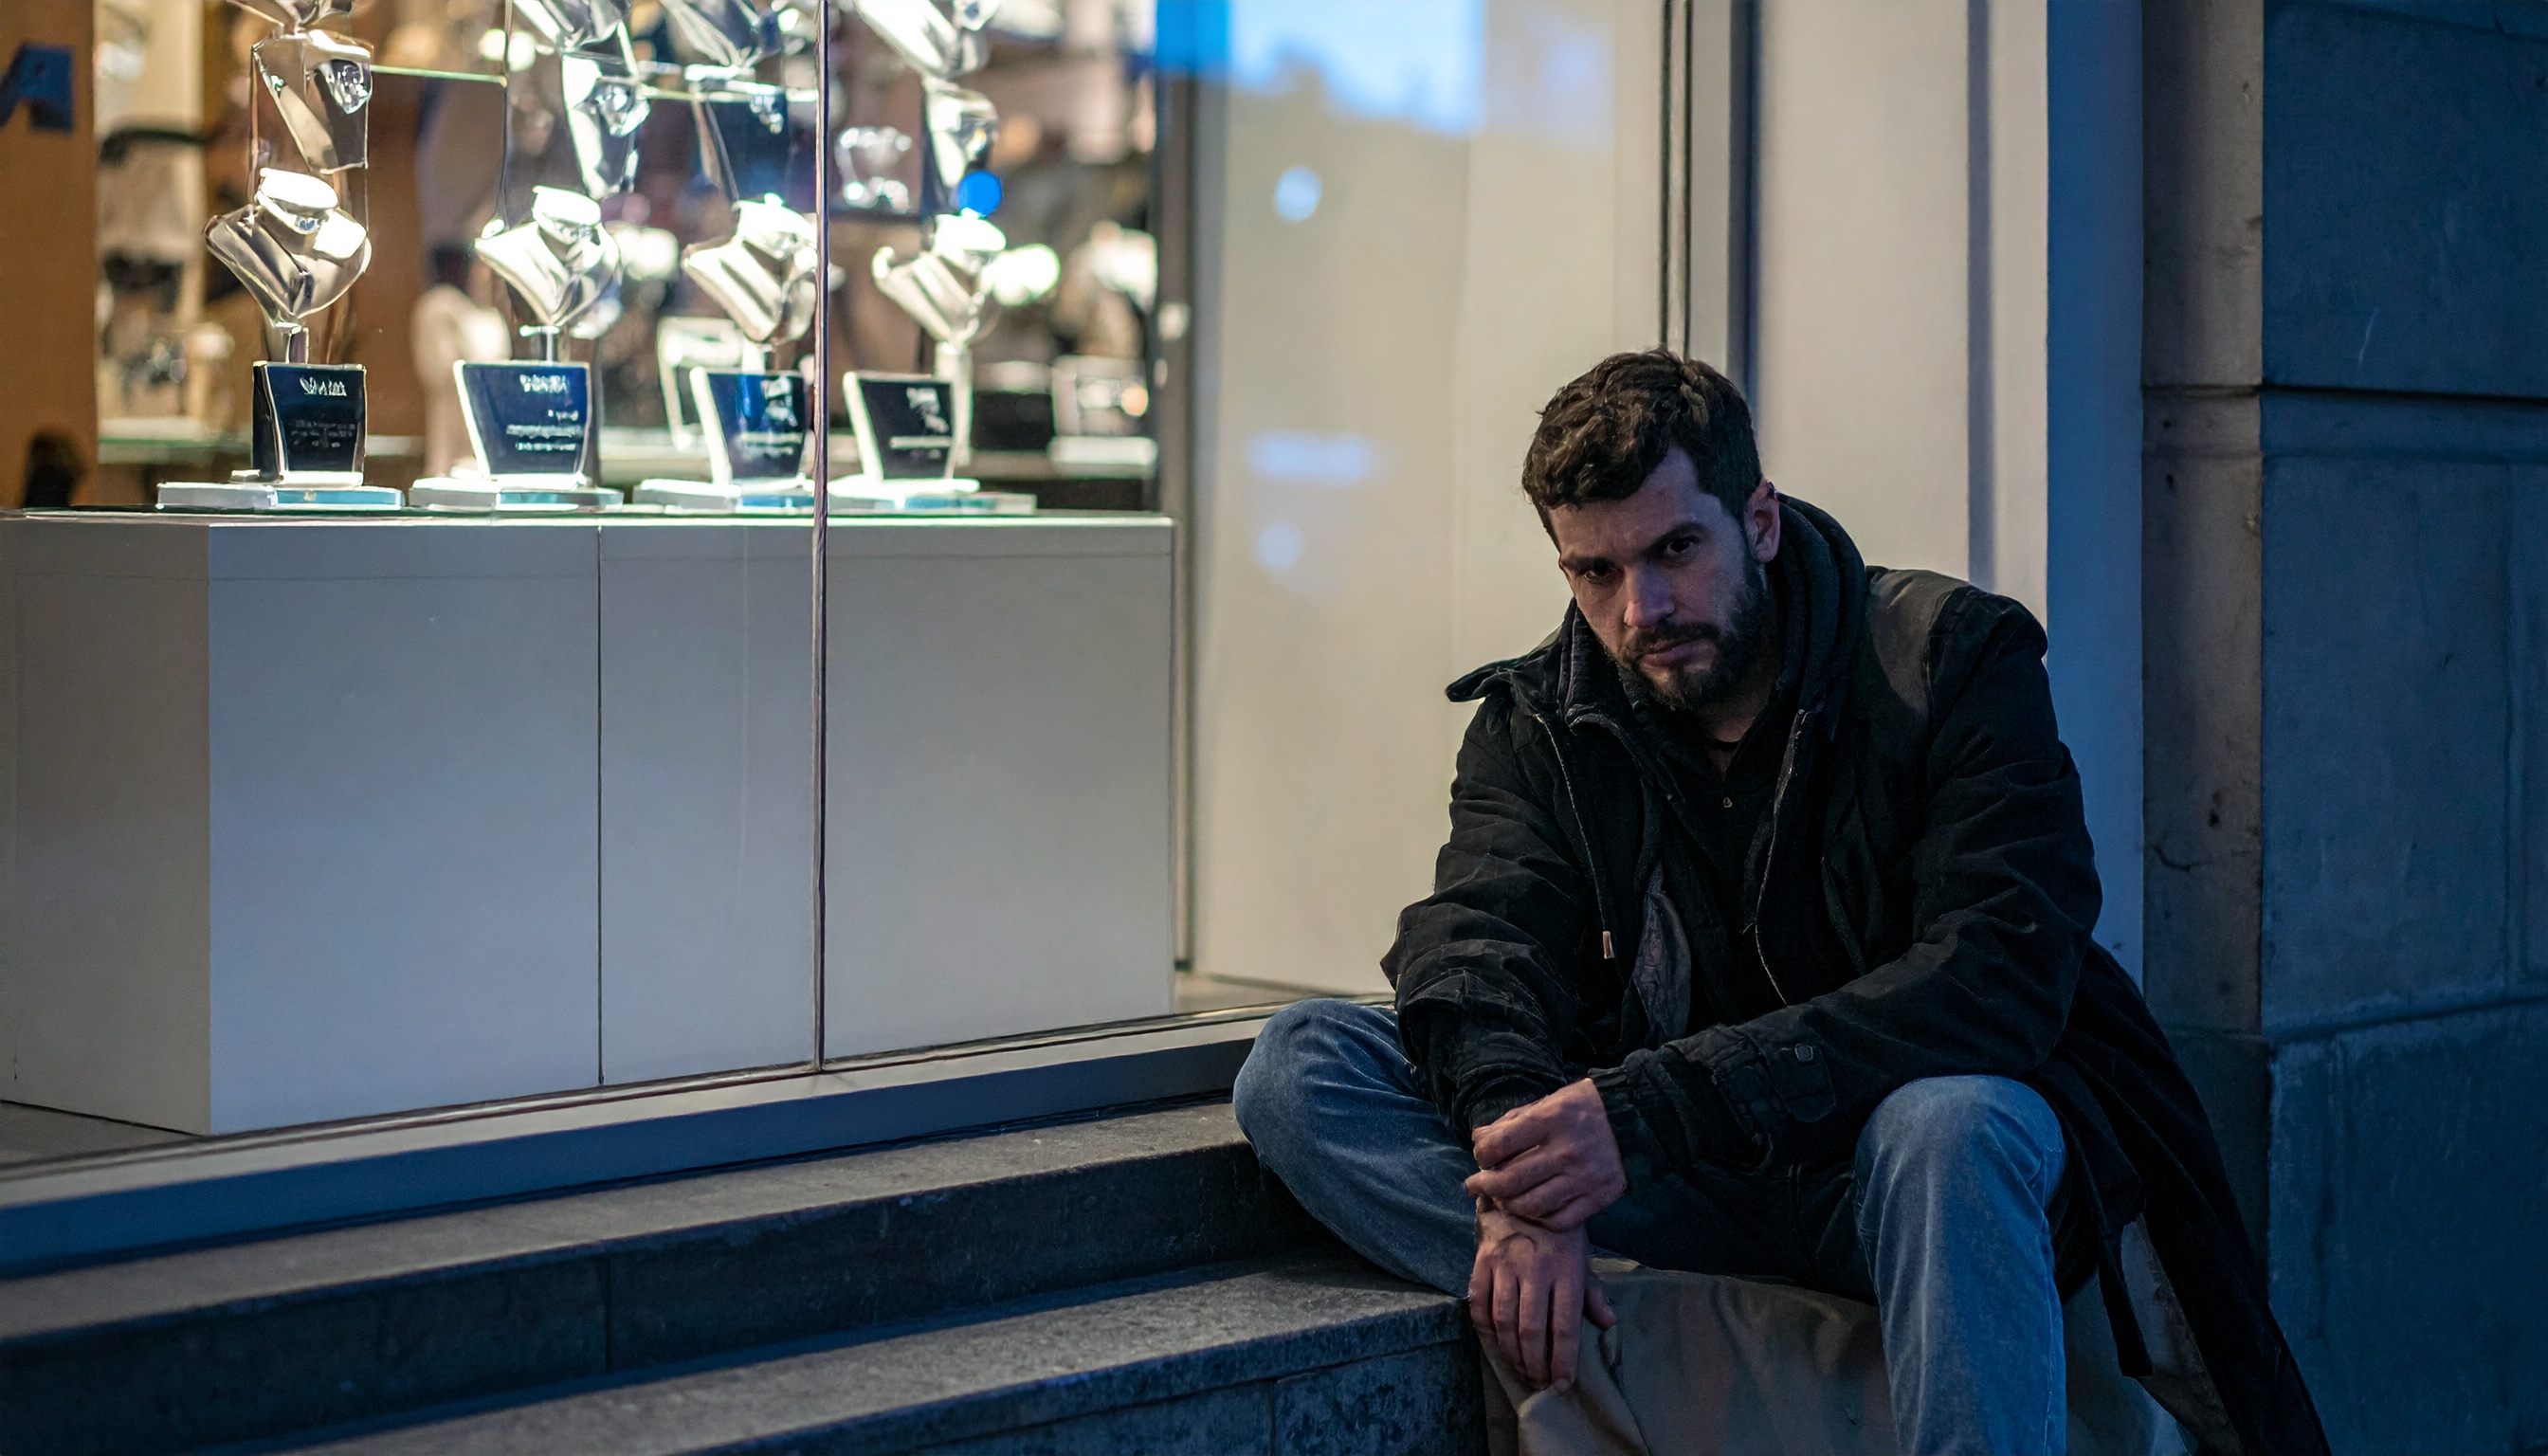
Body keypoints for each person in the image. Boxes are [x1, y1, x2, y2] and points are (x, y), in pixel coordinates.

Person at [1233, 351, 2325, 1456]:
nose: (1641, 609)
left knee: (1952, 1126)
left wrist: (1657, 1109)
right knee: (1300, 1067)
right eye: (1594, 572)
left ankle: (1694, 1365)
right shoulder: (1540, 723)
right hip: (1689, 1184)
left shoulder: (1945, 659)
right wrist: (1527, 1180)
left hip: (1894, 1181)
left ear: (1757, 519)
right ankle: (1726, 1353)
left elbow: (1999, 972)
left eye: (1674, 550)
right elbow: (1478, 945)